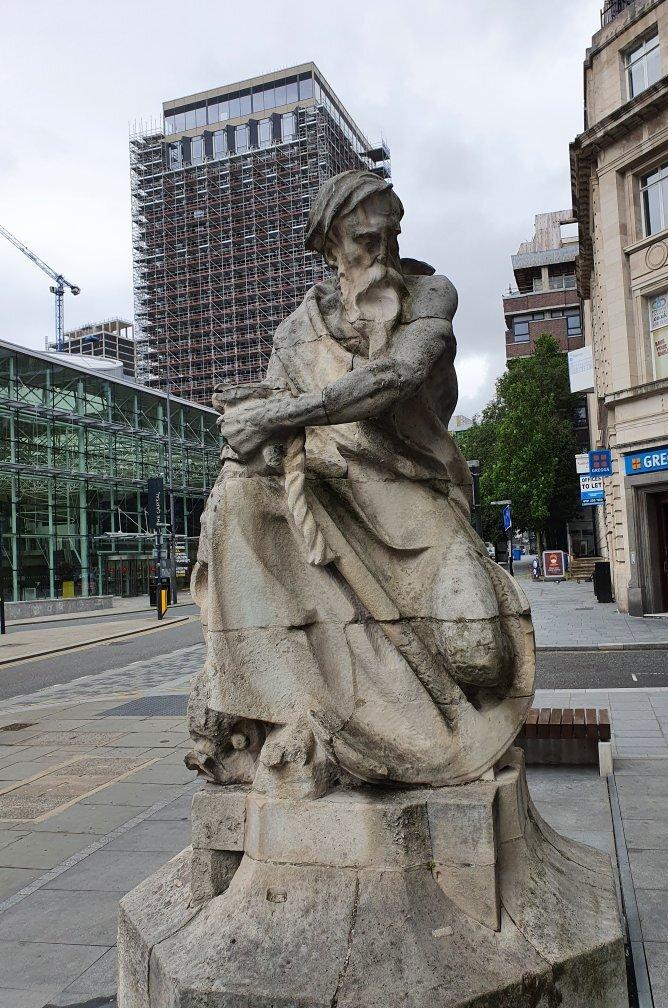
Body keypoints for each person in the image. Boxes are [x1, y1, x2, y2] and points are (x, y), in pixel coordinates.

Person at [186, 170, 534, 797]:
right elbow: (276, 416)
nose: (383, 251)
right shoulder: (294, 334)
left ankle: (427, 730)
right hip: (327, 483)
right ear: (329, 246)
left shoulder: (430, 294)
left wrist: (278, 413)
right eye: (365, 240)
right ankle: (290, 712)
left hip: (411, 492)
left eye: (391, 234)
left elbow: (394, 379)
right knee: (235, 495)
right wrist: (251, 413)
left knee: (483, 656)